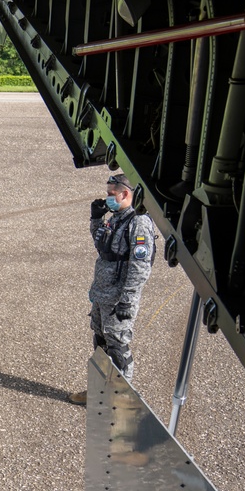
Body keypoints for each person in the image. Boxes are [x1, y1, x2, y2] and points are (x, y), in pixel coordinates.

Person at [68, 173, 156, 404]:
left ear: (125, 193)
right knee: (101, 342)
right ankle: (99, 391)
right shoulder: (116, 217)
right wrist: (96, 219)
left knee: (117, 346)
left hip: (118, 298)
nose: (107, 198)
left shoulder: (138, 221)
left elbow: (140, 265)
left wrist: (127, 299)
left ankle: (120, 399)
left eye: (110, 194)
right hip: (102, 293)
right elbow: (103, 246)